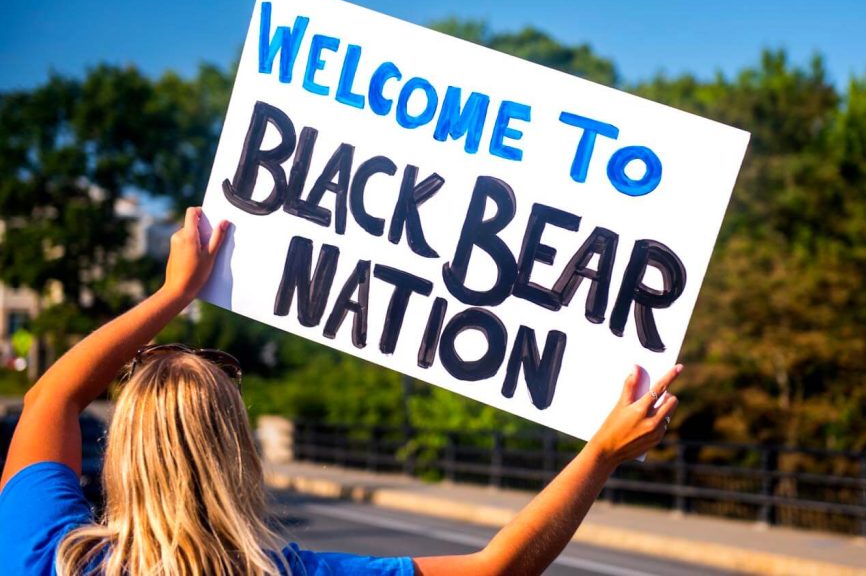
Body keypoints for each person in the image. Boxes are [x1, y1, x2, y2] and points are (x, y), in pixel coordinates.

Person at [0, 207, 681, 576]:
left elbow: (49, 401)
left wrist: (173, 294)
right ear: (235, 449)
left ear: (123, 450)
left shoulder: (49, 552)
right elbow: (496, 568)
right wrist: (601, 455)